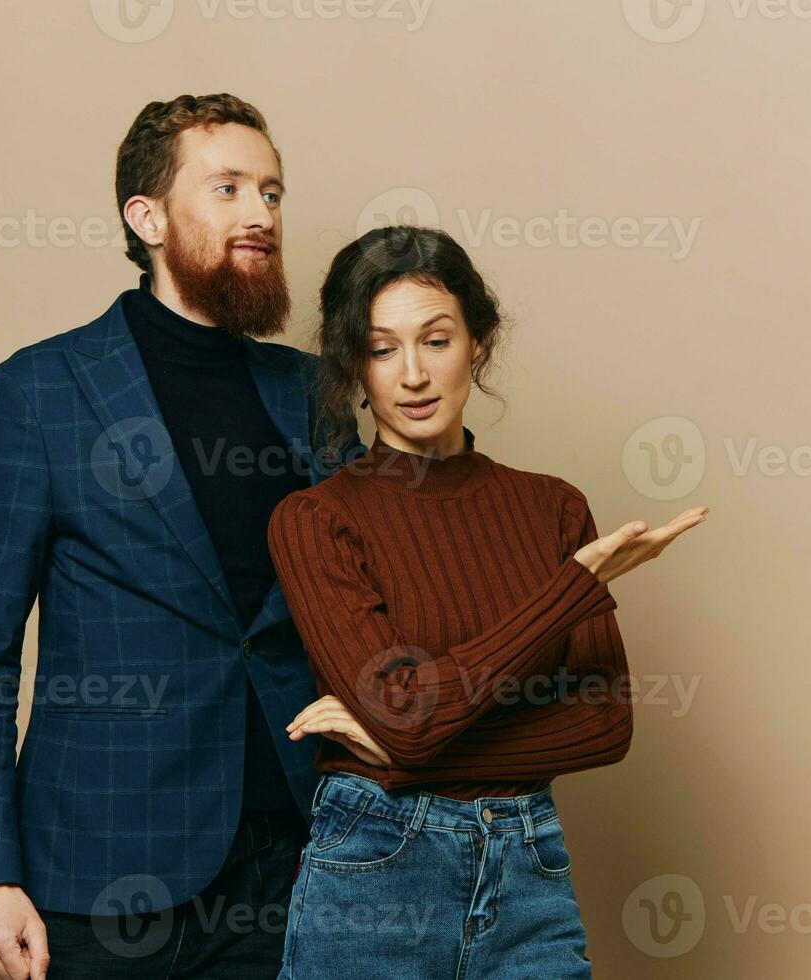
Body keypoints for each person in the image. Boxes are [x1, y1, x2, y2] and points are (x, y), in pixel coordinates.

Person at [0, 92, 363, 980]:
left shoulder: (310, 392)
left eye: (273, 193)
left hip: (291, 862)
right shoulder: (40, 391)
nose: (261, 214)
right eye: (230, 188)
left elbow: (374, 593)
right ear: (148, 217)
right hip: (98, 876)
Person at [265, 225, 707, 978]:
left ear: (478, 342)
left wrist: (405, 758)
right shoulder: (317, 520)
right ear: (354, 369)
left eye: (435, 340)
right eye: (381, 349)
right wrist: (572, 590)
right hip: (376, 870)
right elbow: (405, 711)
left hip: (528, 865)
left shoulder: (553, 509)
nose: (412, 374)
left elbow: (606, 722)